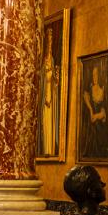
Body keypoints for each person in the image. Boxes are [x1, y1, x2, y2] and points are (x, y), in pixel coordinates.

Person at [39, 27, 60, 156]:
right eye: (49, 42)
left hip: (51, 98)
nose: (50, 46)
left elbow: (54, 83)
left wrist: (56, 79)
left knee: (51, 123)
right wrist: (46, 73)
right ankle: (45, 149)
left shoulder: (52, 60)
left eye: (52, 42)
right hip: (45, 99)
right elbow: (42, 78)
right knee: (45, 123)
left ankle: (50, 150)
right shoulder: (44, 62)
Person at [81, 64, 108, 159]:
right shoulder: (91, 87)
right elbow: (86, 97)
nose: (94, 77)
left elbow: (104, 110)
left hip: (100, 122)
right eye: (93, 75)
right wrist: (91, 110)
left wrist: (97, 116)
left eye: (96, 74)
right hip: (92, 123)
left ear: (99, 75)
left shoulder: (103, 89)